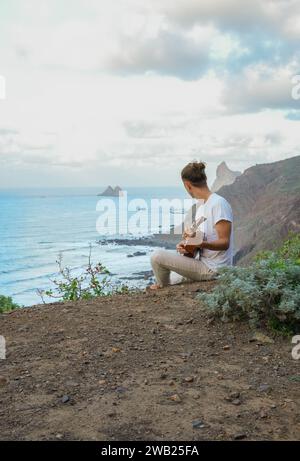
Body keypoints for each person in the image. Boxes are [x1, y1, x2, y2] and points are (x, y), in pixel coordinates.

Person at [150, 161, 234, 289]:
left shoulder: (218, 204)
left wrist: (201, 243)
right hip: (202, 264)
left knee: (157, 257)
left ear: (187, 185)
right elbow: (195, 249)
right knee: (171, 277)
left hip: (215, 269)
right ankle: (165, 286)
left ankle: (162, 289)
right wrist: (186, 246)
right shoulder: (201, 207)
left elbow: (224, 243)